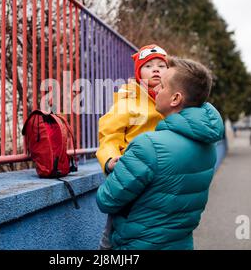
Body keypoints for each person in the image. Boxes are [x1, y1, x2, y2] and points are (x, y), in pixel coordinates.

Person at [96, 57, 225, 250]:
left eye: (162, 86)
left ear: (176, 98)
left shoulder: (147, 146)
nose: (155, 90)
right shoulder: (207, 145)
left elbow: (107, 199)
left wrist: (121, 166)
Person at [96, 44, 169, 249]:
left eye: (161, 65)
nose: (156, 69)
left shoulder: (172, 101)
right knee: (116, 229)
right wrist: (110, 160)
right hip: (131, 174)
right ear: (138, 74)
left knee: (157, 231)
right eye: (148, 66)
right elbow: (109, 135)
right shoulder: (127, 102)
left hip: (161, 177)